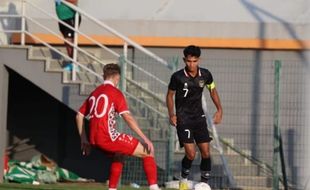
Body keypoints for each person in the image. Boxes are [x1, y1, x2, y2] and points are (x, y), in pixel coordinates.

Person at [76, 63, 161, 190]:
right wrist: (145, 138)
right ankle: (154, 187)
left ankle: (112, 188)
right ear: (117, 78)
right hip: (108, 137)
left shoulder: (95, 93)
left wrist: (84, 139)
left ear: (103, 76)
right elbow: (127, 117)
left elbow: (79, 115)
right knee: (147, 152)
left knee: (118, 155)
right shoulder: (115, 93)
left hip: (94, 139)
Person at [166, 45, 223, 190]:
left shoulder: (206, 75)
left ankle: (204, 183)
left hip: (199, 118)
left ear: (199, 60)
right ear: (184, 60)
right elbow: (170, 95)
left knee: (205, 151)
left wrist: (219, 109)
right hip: (183, 119)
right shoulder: (177, 77)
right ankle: (183, 179)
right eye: (189, 61)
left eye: (194, 61)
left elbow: (213, 90)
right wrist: (171, 114)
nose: (191, 64)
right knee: (191, 154)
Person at [55, 0, 81, 71]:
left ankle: (75, 64)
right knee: (67, 42)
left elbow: (74, 1)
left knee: (70, 41)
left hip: (70, 18)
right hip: (62, 19)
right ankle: (72, 62)